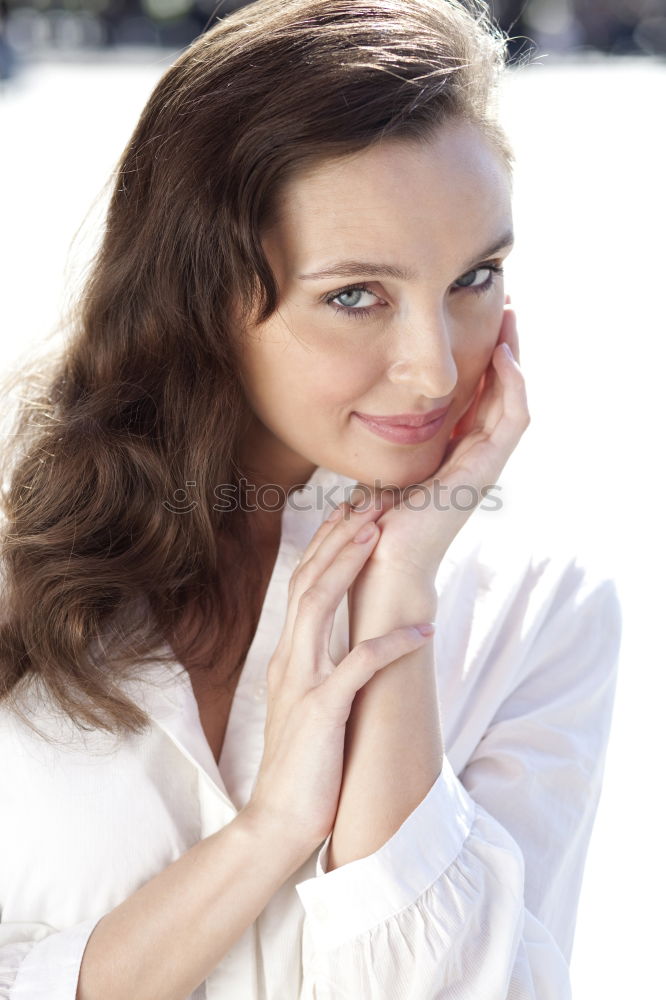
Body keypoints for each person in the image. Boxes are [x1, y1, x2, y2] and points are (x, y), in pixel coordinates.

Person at [0, 1, 621, 998]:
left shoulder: (540, 616)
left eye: (475, 277)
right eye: (355, 295)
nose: (434, 367)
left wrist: (398, 601)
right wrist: (267, 836)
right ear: (198, 296)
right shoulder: (25, 569)